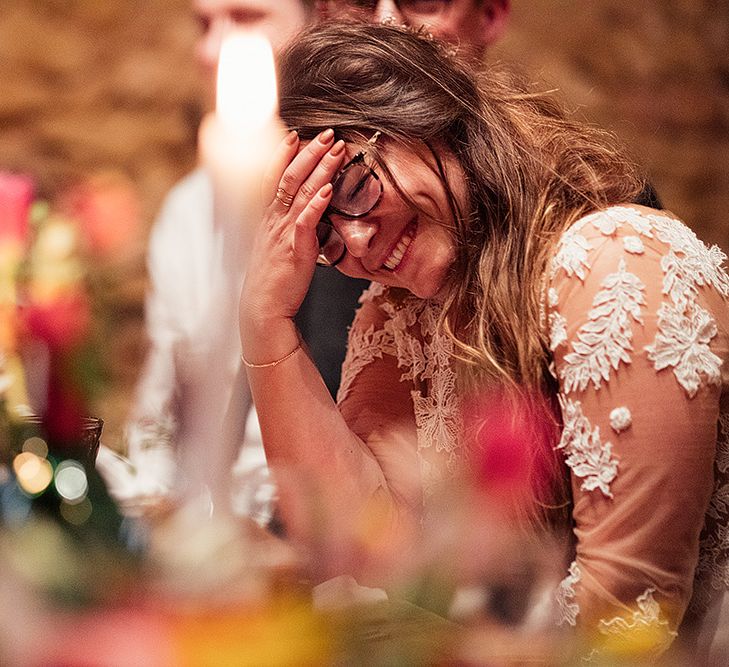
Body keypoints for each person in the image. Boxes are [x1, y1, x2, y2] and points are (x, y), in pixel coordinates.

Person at [238, 22, 729, 656]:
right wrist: (264, 320)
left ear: (425, 117)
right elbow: (360, 540)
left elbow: (629, 613)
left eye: (356, 187)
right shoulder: (400, 317)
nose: (357, 245)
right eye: (326, 237)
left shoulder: (617, 265)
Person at [97, 0, 317, 520]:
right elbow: (160, 423)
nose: (210, 49)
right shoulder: (187, 212)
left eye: (246, 18)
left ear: (321, 23)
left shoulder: (368, 219)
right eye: (203, 24)